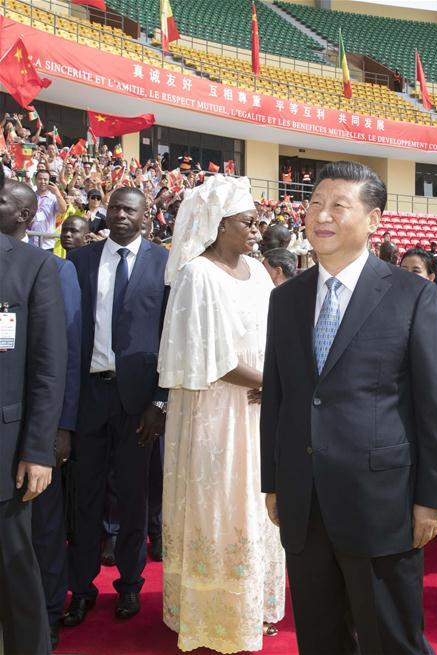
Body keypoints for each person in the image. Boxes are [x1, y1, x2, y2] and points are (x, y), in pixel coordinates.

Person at [260, 161, 437, 655]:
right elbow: (278, 398)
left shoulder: (412, 294)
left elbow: (436, 406)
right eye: (314, 204)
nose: (321, 216)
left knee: (390, 638)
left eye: (338, 206)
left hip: (381, 504)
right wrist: (273, 481)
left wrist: (431, 498)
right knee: (321, 638)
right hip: (304, 502)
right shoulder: (286, 299)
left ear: (373, 220)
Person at [157, 175, 285, 652]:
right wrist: (271, 383)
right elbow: (208, 359)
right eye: (247, 222)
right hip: (214, 414)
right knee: (220, 506)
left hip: (256, 411)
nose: (256, 229)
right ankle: (212, 615)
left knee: (257, 504)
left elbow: (274, 340)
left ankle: (252, 606)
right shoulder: (197, 274)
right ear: (219, 223)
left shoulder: (257, 271)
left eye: (256, 221)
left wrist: (274, 382)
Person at [63, 187, 169, 626]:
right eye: (114, 208)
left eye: (130, 209)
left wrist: (159, 400)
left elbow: (170, 336)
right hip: (91, 396)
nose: (120, 215)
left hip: (138, 401)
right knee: (84, 498)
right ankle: (82, 589)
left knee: (133, 498)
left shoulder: (164, 264)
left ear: (147, 216)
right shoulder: (81, 261)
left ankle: (129, 586)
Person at [0, 181, 82, 649]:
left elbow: (50, 368)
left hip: (9, 455)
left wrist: (38, 450)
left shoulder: (36, 268)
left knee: (16, 576)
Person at [30, 170, 67, 250]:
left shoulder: (54, 197)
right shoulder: (30, 195)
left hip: (47, 243)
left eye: (45, 179)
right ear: (35, 180)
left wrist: (58, 194)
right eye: (40, 179)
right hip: (30, 240)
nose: (43, 182)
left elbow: (63, 209)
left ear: (49, 181)